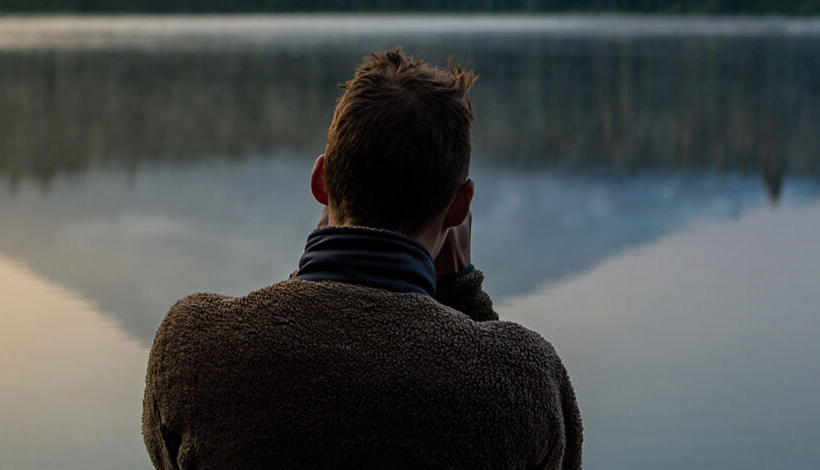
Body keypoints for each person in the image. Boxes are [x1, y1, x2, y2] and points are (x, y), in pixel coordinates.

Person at [142, 48, 582, 469]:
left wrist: (315, 268)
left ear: (320, 182)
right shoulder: (523, 380)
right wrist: (461, 289)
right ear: (460, 207)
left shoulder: (193, 346)